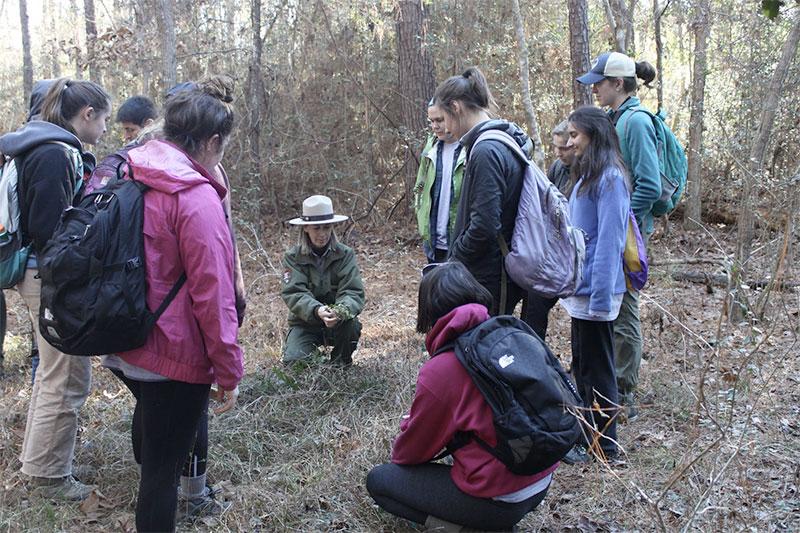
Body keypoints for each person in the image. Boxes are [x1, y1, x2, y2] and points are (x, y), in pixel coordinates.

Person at [102, 76, 243, 532]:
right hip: (172, 351)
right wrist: (228, 369)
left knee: (153, 432)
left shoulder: (131, 167)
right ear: (214, 140)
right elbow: (213, 293)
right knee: (162, 477)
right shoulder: (195, 196)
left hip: (124, 333)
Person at [367, 261, 556, 531]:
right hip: (542, 477)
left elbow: (409, 454)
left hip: (503, 500)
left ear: (428, 311)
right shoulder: (507, 332)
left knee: (381, 481)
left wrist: (411, 424)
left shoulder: (441, 370)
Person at [0, 78, 111, 500]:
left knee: (53, 373)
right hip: (47, 277)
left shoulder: (36, 144)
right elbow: (52, 231)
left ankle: (41, 463)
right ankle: (48, 478)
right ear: (86, 115)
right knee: (66, 377)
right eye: (102, 120)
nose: (103, 130)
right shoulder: (54, 153)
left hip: (37, 274)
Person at [577, 51, 660, 419]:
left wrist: (623, 220)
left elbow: (651, 184)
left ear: (618, 83)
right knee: (618, 313)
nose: (594, 88)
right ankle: (611, 386)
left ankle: (621, 390)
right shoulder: (616, 118)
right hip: (615, 228)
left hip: (624, 235)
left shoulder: (637, 122)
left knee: (622, 314)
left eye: (600, 82)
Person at [558, 106, 630, 464]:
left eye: (575, 135)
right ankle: (589, 439)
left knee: (598, 370)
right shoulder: (587, 176)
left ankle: (607, 447)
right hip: (581, 291)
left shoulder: (611, 178)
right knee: (583, 367)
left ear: (594, 135)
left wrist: (601, 298)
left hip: (596, 294)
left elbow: (610, 243)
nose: (570, 141)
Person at [433, 67, 532, 317]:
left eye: (443, 119)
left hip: (489, 276)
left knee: (487, 347)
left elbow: (485, 224)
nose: (444, 129)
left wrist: (455, 259)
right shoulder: (496, 141)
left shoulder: (487, 150)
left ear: (456, 107)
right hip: (493, 272)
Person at [281, 195, 364, 366]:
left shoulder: (345, 255)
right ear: (306, 228)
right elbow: (294, 293)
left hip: (339, 323)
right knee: (295, 361)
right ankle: (311, 359)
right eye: (316, 228)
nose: (322, 234)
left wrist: (340, 311)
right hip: (305, 323)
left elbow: (353, 291)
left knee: (352, 326)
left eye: (327, 228)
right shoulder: (293, 257)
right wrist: (317, 310)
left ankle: (340, 365)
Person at [413, 99, 466, 263]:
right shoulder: (431, 148)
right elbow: (419, 188)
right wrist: (423, 224)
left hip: (461, 244)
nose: (435, 126)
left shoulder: (469, 148)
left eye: (440, 120)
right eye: (431, 121)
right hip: (434, 243)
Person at [547, 120, 574, 194]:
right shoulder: (556, 167)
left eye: (563, 148)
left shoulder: (588, 172)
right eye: (555, 147)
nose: (558, 154)